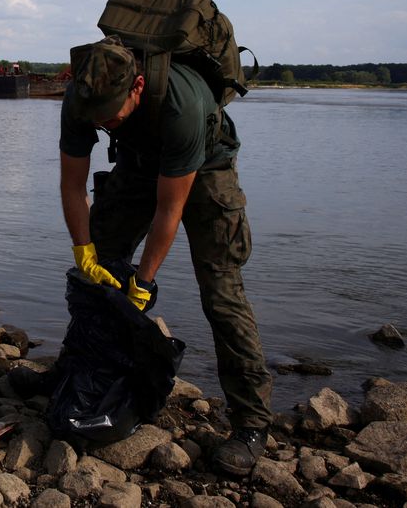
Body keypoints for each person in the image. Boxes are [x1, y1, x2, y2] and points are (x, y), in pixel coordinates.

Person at [57, 35, 273, 475]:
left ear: (137, 87)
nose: (105, 124)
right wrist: (85, 251)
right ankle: (75, 373)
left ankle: (251, 423)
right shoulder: (81, 99)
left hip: (206, 168)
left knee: (221, 291)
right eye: (99, 121)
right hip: (139, 164)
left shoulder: (182, 103)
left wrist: (144, 282)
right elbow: (71, 185)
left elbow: (169, 210)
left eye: (112, 117)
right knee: (96, 268)